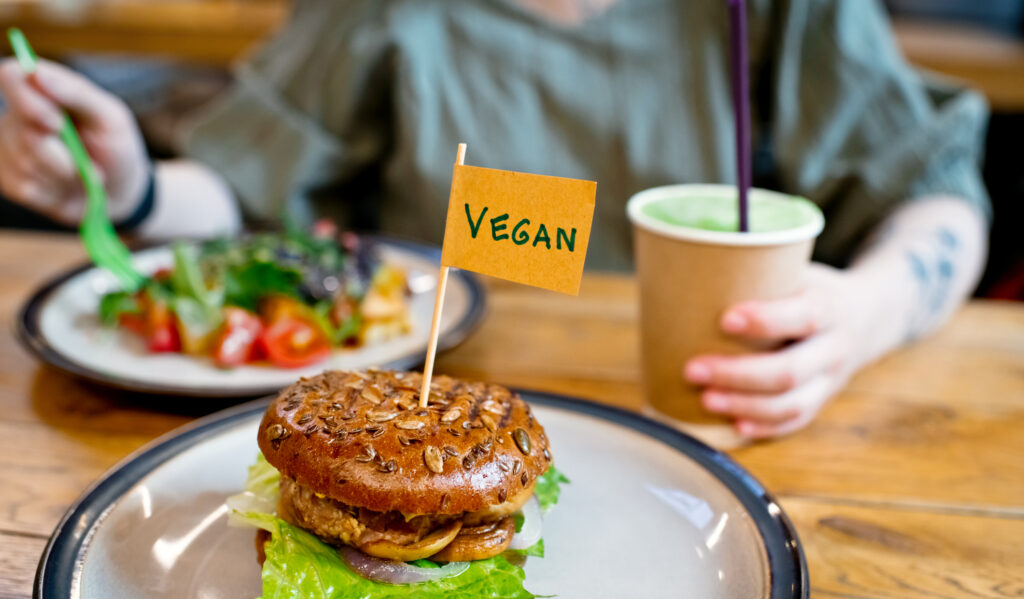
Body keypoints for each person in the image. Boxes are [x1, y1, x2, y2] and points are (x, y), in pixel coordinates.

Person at [0, 0, 989, 438]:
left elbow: (936, 187)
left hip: (712, 420)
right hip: (431, 405)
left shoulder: (766, 11)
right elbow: (251, 190)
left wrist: (868, 310)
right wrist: (123, 187)